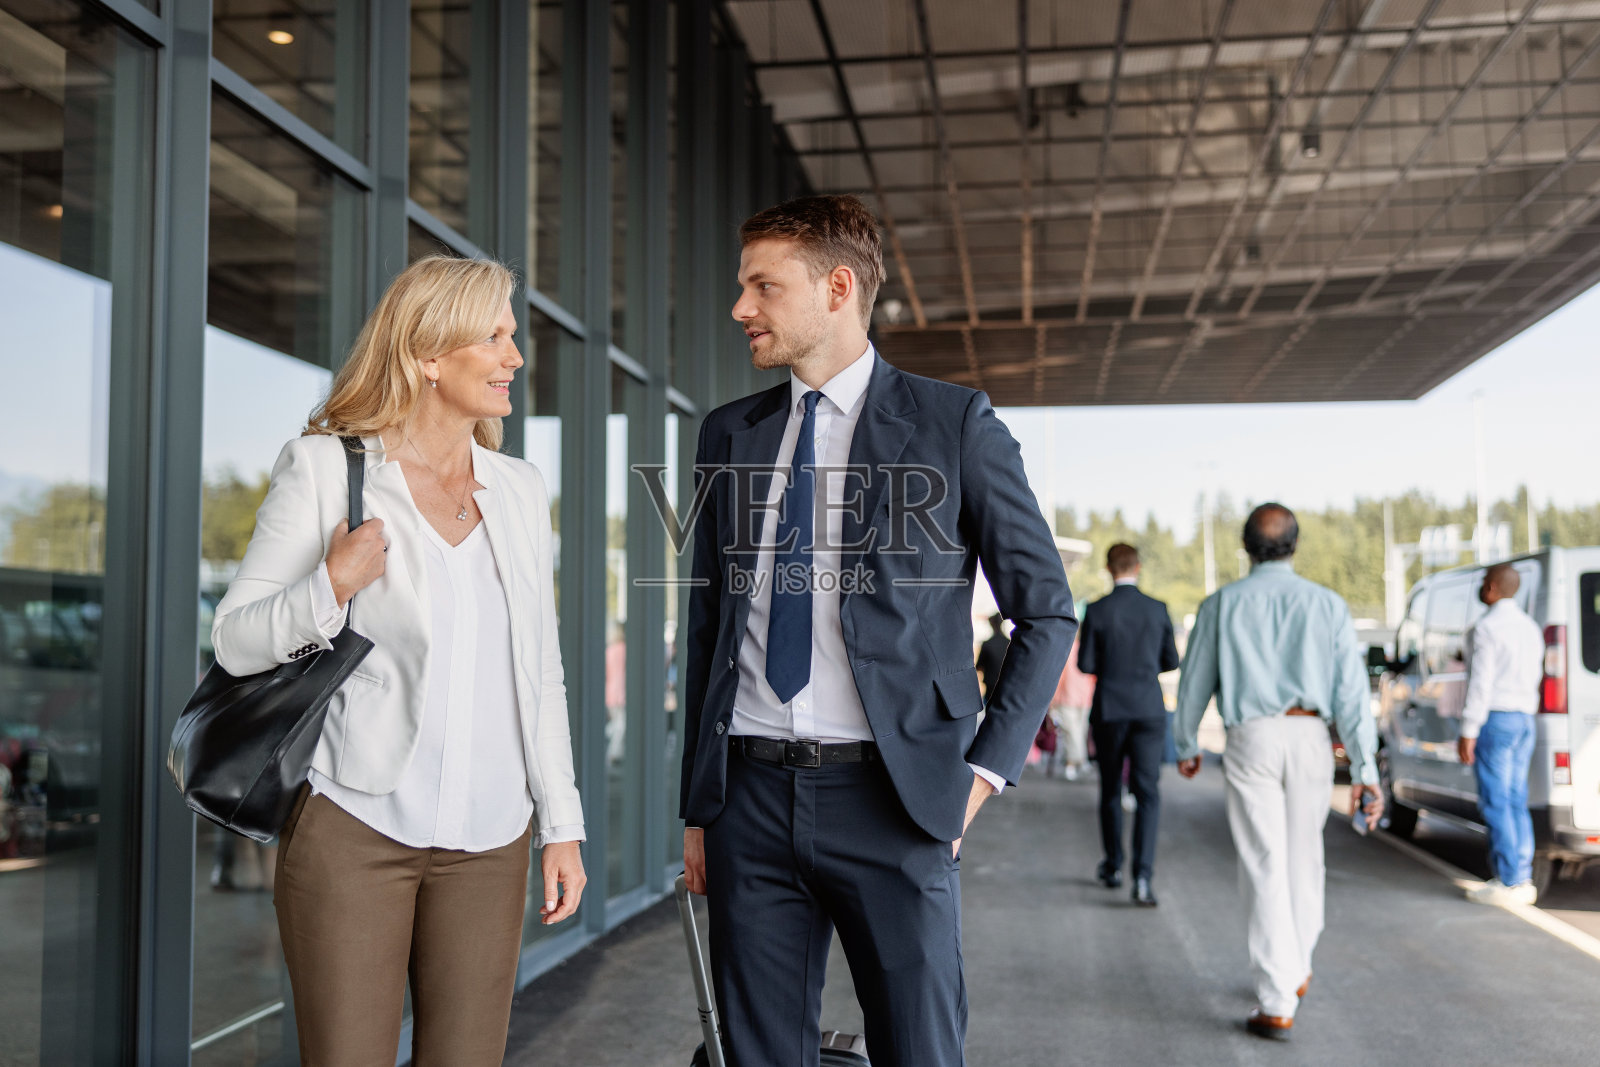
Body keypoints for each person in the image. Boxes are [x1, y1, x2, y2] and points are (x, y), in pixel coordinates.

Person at [679, 194, 1075, 1067]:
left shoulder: (953, 424)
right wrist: (698, 804)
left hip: (896, 801)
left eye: (762, 286)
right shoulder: (728, 435)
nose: (741, 307)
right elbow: (709, 625)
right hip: (748, 796)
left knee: (919, 1049)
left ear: (838, 287)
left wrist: (980, 774)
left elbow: (1046, 610)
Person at [210, 255, 586, 1066]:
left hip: (491, 840)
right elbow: (234, 637)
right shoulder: (328, 467)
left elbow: (540, 669)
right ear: (428, 354)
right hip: (356, 826)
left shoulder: (518, 488)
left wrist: (562, 825)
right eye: (494, 337)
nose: (515, 357)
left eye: (511, 336)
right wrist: (329, 587)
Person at [1174, 503, 1380, 1042]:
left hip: (1253, 738)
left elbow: (1195, 679)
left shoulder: (1221, 604)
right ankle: (1297, 967)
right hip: (1312, 737)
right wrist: (1365, 768)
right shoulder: (1327, 605)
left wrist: (1185, 741)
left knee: (1264, 860)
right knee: (1304, 856)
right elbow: (1353, 697)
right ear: (1294, 544)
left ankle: (1276, 996)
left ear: (1246, 546)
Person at [1077, 543, 1179, 905]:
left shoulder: (1097, 610)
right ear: (1138, 566)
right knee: (1148, 793)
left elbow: (1086, 664)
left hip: (1109, 710)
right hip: (1149, 709)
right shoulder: (1157, 609)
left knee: (1110, 791)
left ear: (1108, 567)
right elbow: (1171, 661)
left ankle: (1114, 866)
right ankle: (1143, 879)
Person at [1458, 562, 1544, 906]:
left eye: (1483, 582)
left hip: (1496, 718)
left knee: (1495, 801)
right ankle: (1521, 878)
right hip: (1525, 719)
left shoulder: (1487, 627)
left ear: (1492, 588)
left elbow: (1481, 682)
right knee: (1515, 799)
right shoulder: (1530, 627)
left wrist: (1468, 729)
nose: (1481, 587)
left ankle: (1508, 881)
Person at [1048, 634, 1095, 780]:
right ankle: (1075, 762)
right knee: (1073, 732)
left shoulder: (1069, 649)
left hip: (1079, 696)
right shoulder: (1079, 649)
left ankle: (1076, 762)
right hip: (1073, 697)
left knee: (1078, 732)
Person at [977, 611, 1008, 698]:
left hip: (991, 686)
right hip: (1006, 685)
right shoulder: (1009, 643)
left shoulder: (987, 644)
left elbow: (979, 666)